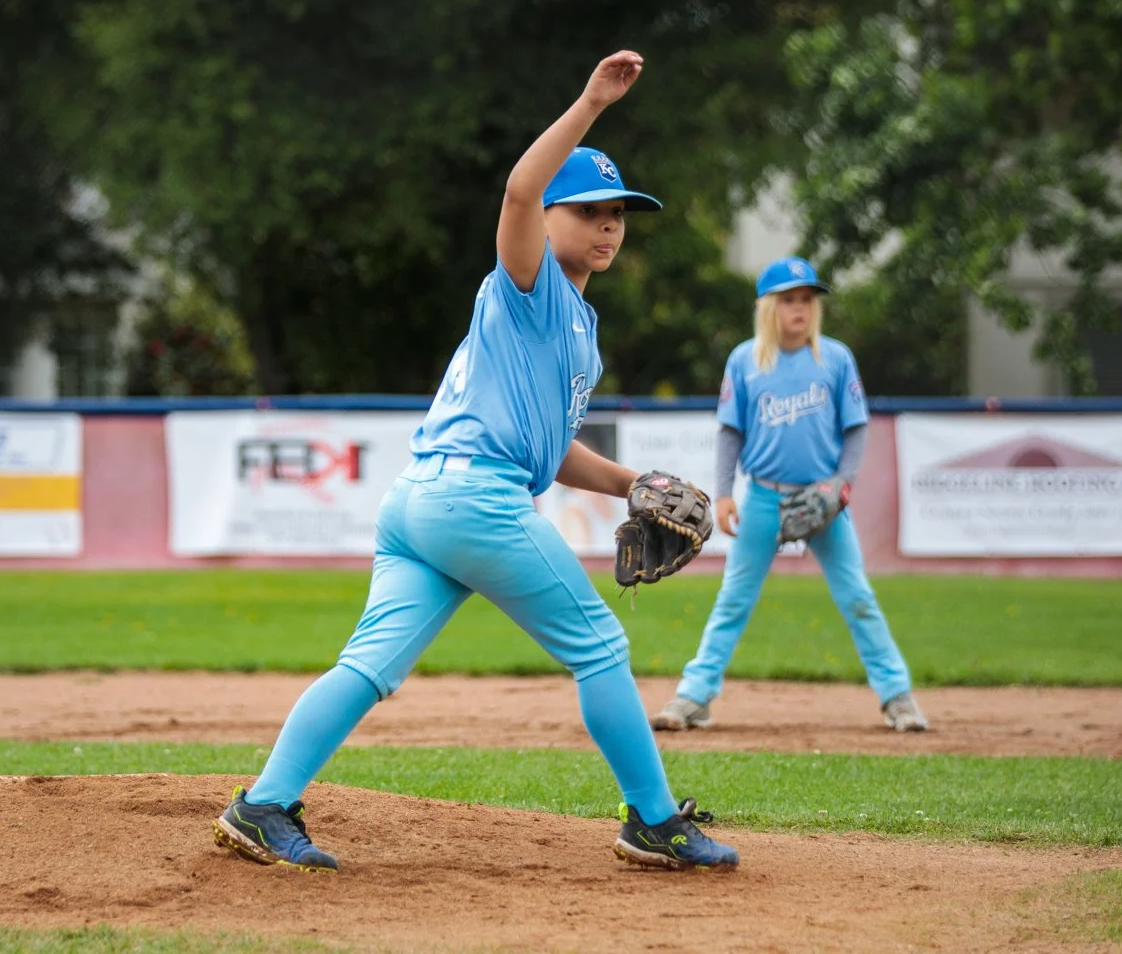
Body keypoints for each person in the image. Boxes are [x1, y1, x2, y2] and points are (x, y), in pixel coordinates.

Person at [212, 50, 739, 874]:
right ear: (553, 220)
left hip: (422, 501)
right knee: (600, 648)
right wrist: (591, 103)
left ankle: (262, 806)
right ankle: (654, 822)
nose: (608, 224)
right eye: (590, 209)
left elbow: (549, 449)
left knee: (369, 665)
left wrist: (630, 481)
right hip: (470, 500)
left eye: (619, 213)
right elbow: (521, 191)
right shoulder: (527, 284)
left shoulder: (578, 330)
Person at [651, 257, 930, 734]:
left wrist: (841, 484)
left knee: (858, 597)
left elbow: (856, 430)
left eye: (807, 299)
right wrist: (722, 495)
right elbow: (729, 434)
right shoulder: (746, 359)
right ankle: (694, 696)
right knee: (733, 599)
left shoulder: (835, 358)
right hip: (762, 496)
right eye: (789, 300)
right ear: (769, 307)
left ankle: (897, 696)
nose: (800, 308)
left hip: (823, 498)